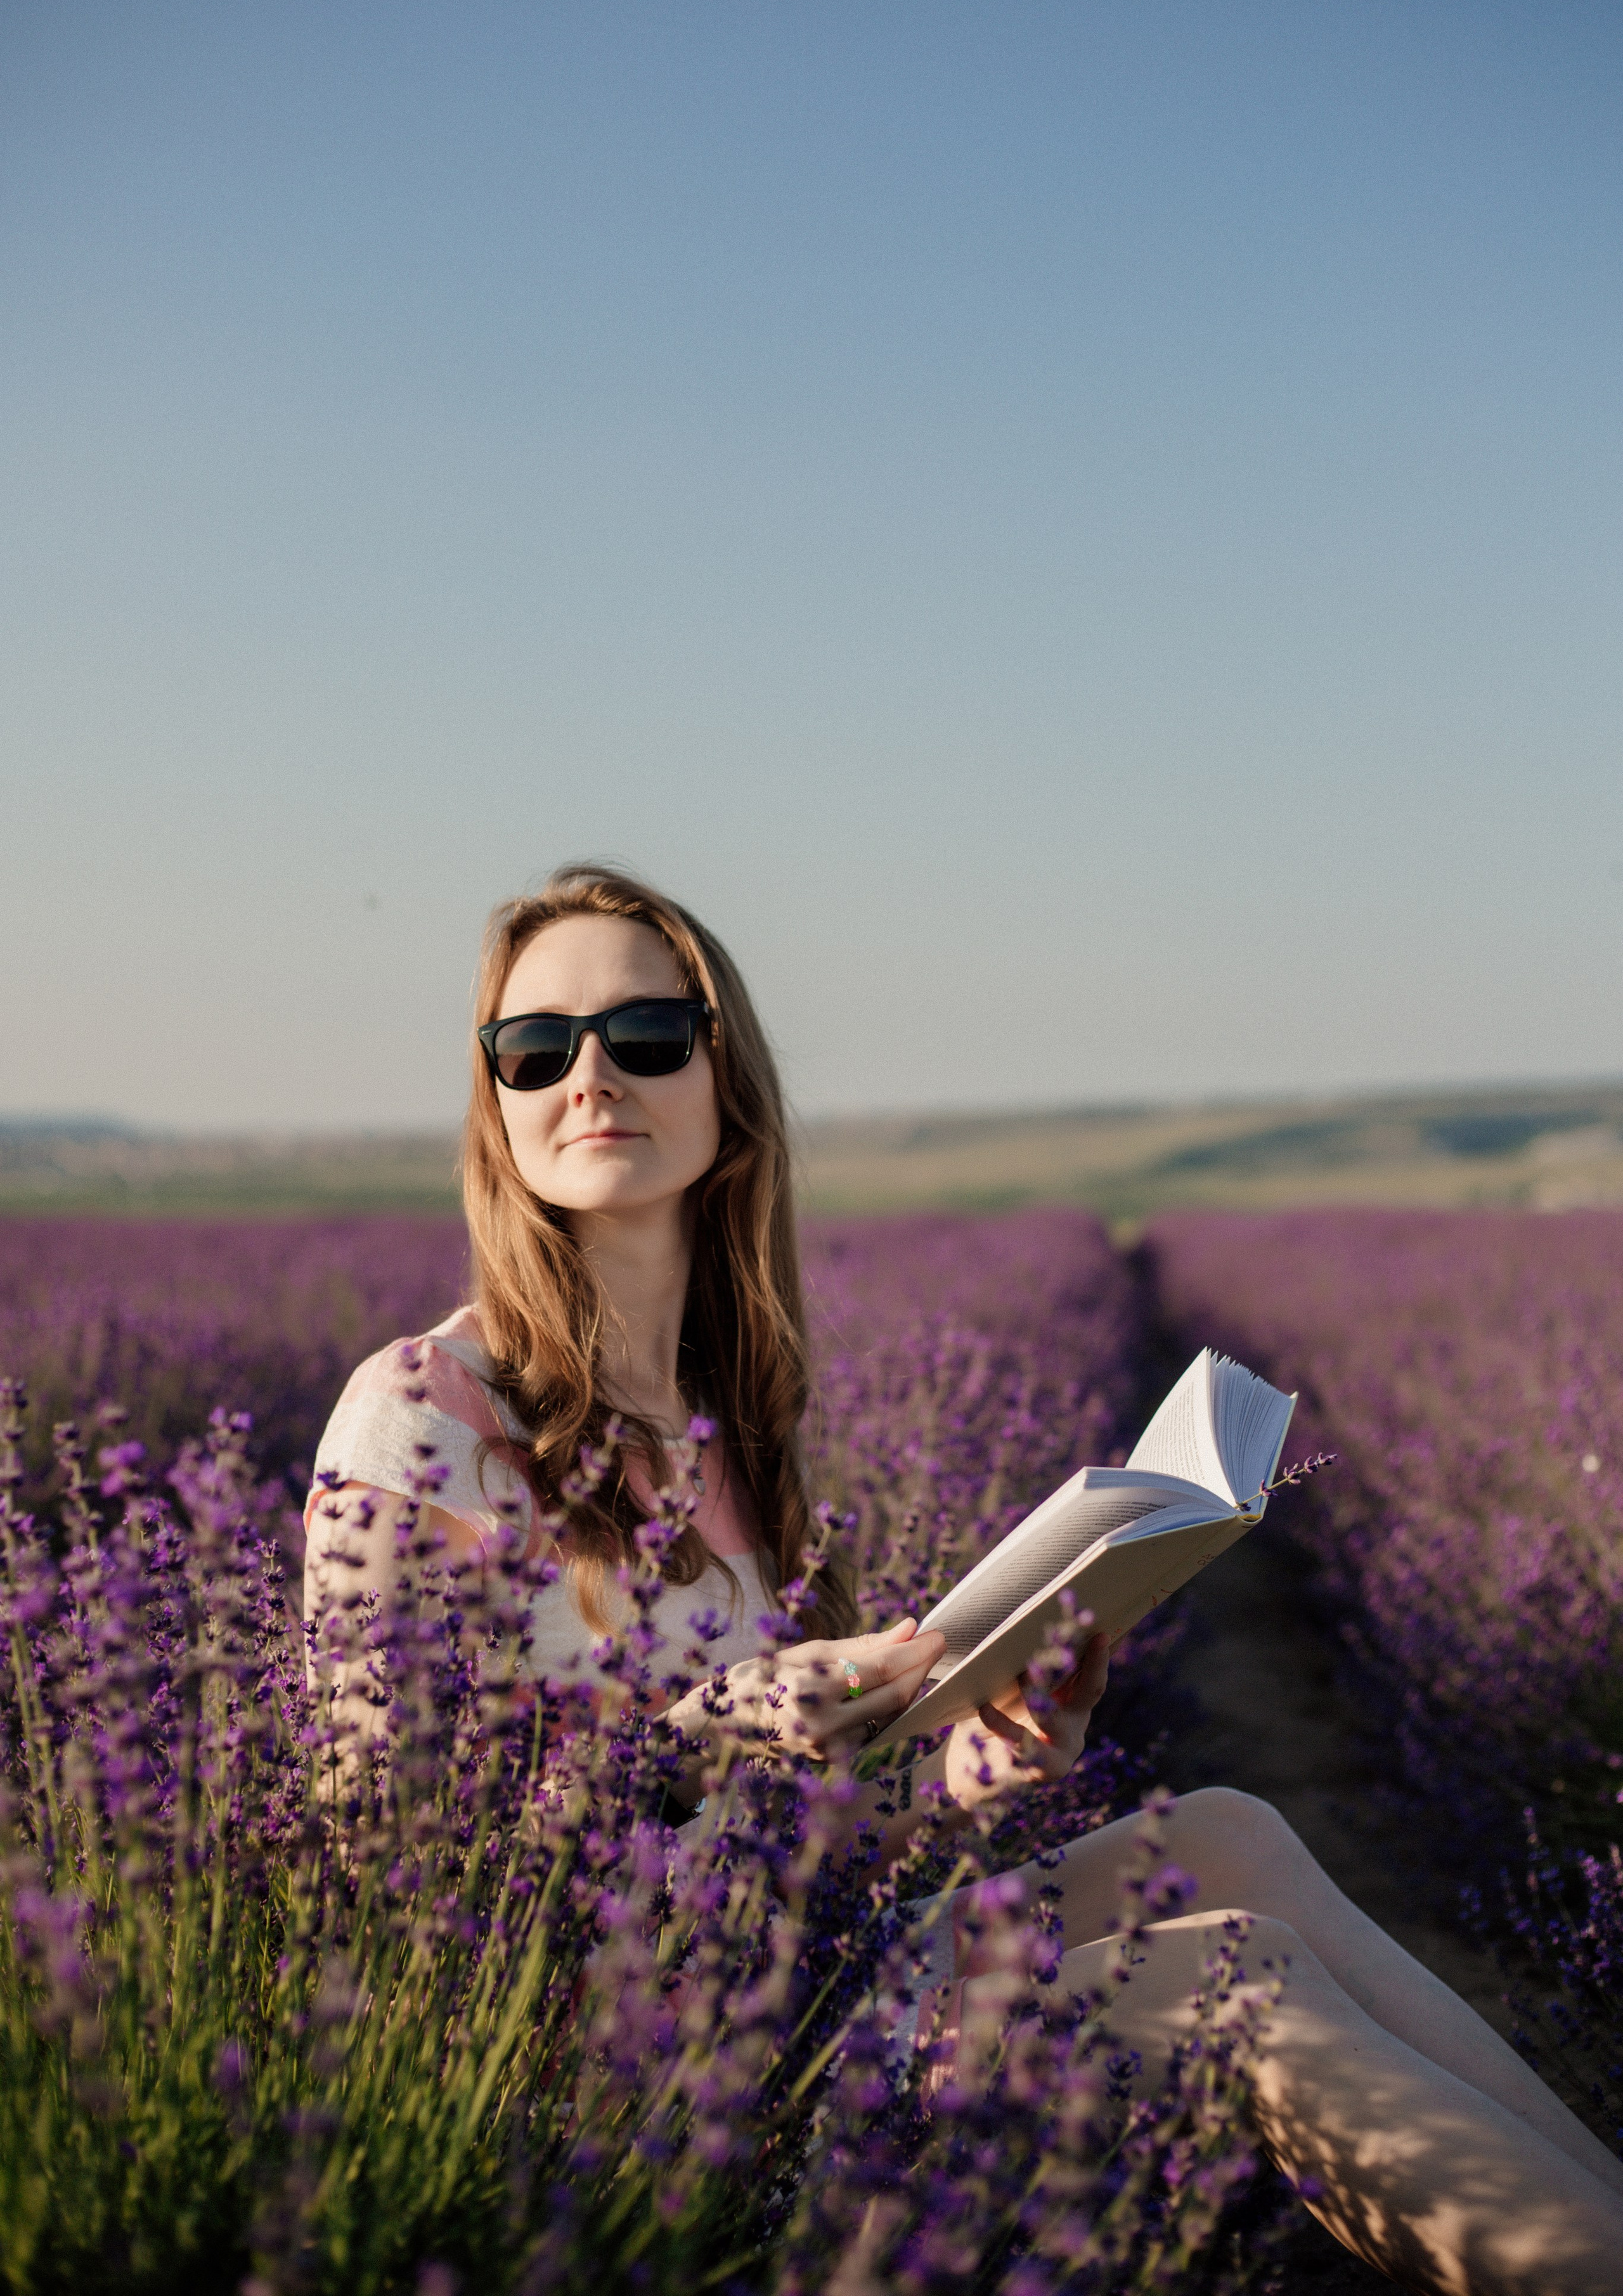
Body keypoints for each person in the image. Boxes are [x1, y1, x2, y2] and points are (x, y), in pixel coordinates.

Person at [304, 863, 1623, 2295]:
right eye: (534, 1047)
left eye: (643, 1034)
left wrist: (965, 1780)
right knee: (1230, 1979)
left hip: (794, 1982)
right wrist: (703, 1731)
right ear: (493, 1106)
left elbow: (811, 1853)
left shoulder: (730, 1433)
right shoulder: (425, 1414)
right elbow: (383, 1862)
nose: (588, 1076)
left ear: (723, 1076)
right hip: (618, 2083)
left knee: (1229, 1833)